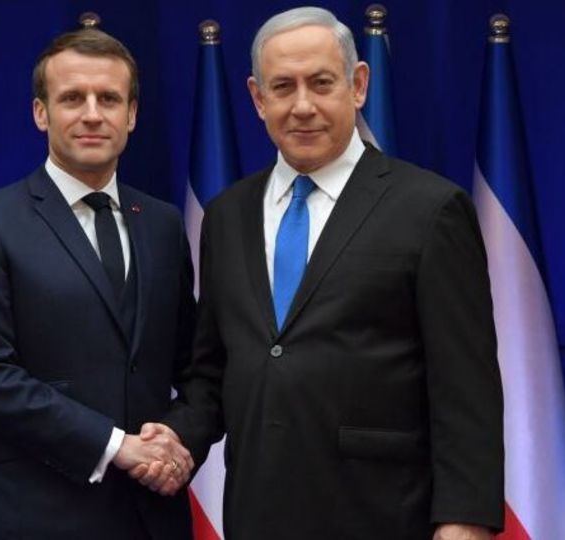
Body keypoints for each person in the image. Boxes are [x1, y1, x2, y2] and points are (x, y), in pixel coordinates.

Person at [136, 7, 504, 540]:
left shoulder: (430, 208)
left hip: (385, 516)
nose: (303, 105)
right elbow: (217, 369)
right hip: (260, 514)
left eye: (322, 83)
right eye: (283, 87)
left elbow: (465, 386)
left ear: (358, 85)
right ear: (258, 99)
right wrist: (176, 439)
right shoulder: (227, 215)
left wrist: (465, 521)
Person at [0, 27, 194, 538]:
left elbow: (193, 362)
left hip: (151, 515)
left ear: (132, 115)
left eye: (109, 99)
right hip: (33, 516)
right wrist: (115, 446)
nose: (93, 114)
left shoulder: (163, 224)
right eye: (73, 98)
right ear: (41, 113)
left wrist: (175, 441)